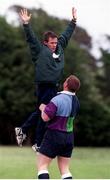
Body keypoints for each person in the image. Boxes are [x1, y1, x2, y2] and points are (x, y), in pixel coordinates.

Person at [15, 8, 77, 150]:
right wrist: (26, 24)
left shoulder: (60, 47)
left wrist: (73, 21)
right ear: (45, 43)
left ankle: (27, 134)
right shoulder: (40, 50)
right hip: (44, 86)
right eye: (52, 43)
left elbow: (67, 34)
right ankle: (33, 138)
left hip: (53, 86)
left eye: (55, 43)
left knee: (42, 112)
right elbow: (31, 38)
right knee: (45, 112)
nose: (54, 45)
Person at [38, 75, 80, 179]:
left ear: (66, 84)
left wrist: (43, 108)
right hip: (69, 137)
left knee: (42, 167)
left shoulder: (57, 99)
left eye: (66, 80)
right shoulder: (77, 101)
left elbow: (45, 118)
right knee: (65, 170)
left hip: (54, 135)